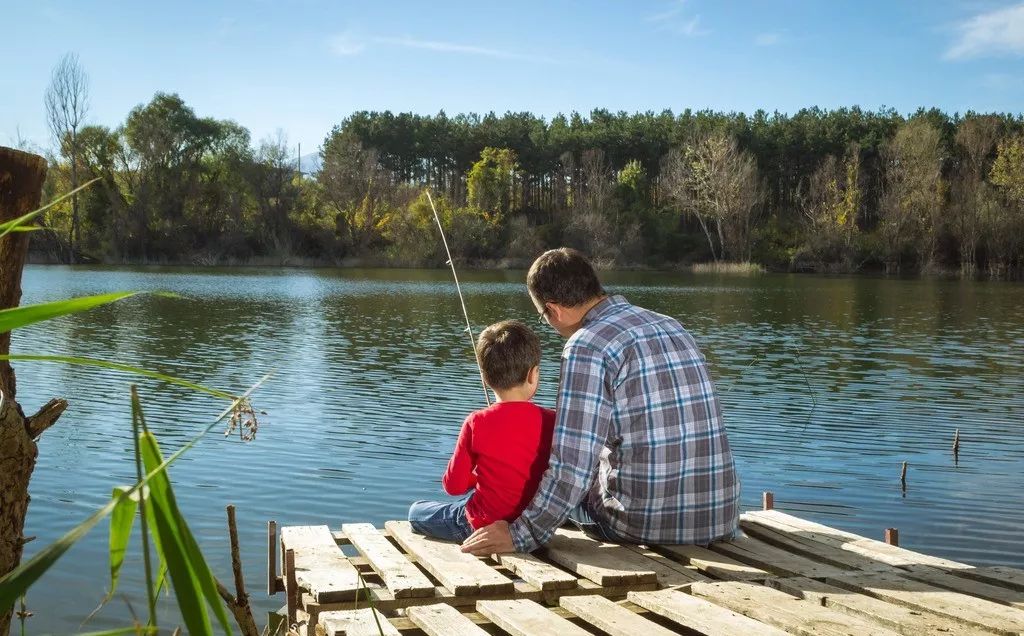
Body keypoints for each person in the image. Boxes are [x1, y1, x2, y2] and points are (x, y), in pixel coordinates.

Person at [462, 248, 740, 555]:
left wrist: (521, 535)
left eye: (544, 317)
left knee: (534, 482)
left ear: (554, 310)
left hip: (641, 525)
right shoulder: (671, 325)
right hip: (719, 518)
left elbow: (572, 467)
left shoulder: (587, 345)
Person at [407, 320, 556, 542]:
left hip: (480, 525)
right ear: (533, 375)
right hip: (532, 526)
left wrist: (477, 477)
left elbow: (453, 486)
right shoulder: (552, 420)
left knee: (416, 512)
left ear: (485, 378)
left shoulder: (476, 422)